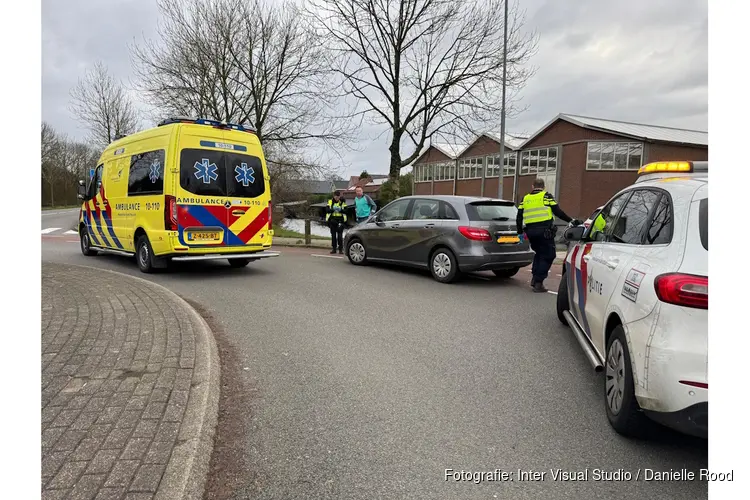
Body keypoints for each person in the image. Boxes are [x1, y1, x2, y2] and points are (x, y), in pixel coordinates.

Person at [516, 178, 581, 293]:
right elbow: (557, 211)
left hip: (530, 232)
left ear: (532, 186)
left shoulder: (525, 199)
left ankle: (535, 278)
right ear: (543, 187)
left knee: (539, 254)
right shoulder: (546, 196)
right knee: (549, 255)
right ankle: (538, 282)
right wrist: (571, 220)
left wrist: (520, 231)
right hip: (544, 232)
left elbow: (519, 216)